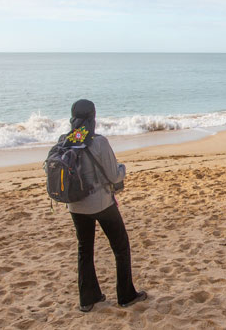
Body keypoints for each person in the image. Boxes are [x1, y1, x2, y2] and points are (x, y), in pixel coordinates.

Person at [62, 99, 147, 312]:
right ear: (93, 117)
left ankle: (88, 299)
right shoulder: (98, 142)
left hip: (75, 206)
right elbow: (112, 174)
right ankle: (126, 295)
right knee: (121, 247)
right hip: (101, 204)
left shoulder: (67, 139)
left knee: (85, 249)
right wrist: (123, 169)